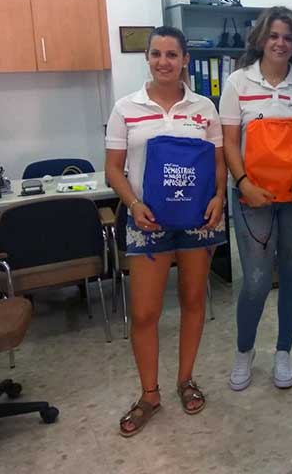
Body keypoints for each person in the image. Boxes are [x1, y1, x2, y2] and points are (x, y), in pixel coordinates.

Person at [105, 26, 227, 437]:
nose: (163, 61)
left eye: (171, 54)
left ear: (185, 59)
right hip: (147, 223)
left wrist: (218, 197)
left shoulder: (204, 108)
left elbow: (218, 161)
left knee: (194, 300)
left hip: (195, 221)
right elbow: (112, 167)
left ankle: (185, 379)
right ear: (147, 58)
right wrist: (133, 205)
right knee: (144, 312)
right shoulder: (126, 108)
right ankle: (149, 394)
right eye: (156, 53)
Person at [220, 6, 292, 391]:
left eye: (289, 38)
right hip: (252, 199)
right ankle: (245, 350)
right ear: (261, 39)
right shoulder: (237, 84)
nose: (281, 43)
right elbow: (229, 143)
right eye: (274, 36)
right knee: (257, 281)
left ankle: (284, 351)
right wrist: (243, 182)